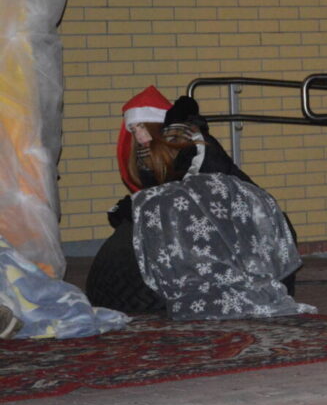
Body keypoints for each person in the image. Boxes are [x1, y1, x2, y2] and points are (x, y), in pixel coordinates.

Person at [107, 86, 313, 320]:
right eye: (133, 130)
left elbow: (199, 190)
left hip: (239, 214)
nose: (139, 136)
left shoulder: (195, 144)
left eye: (142, 127)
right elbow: (162, 198)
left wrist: (139, 204)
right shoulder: (148, 158)